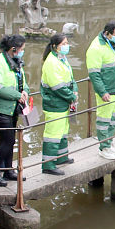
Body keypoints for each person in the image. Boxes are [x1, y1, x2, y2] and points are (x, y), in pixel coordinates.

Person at [0, 34, 28, 186]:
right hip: (0, 108)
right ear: (13, 49)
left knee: (11, 140)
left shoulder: (16, 62)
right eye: (21, 49)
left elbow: (22, 80)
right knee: (7, 140)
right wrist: (17, 95)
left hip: (12, 108)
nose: (23, 51)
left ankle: (8, 170)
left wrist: (25, 91)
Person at [87, 21, 115, 158]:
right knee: (104, 120)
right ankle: (103, 148)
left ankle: (109, 143)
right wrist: (102, 92)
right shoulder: (96, 48)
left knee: (113, 119)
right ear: (107, 33)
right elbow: (94, 74)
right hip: (106, 90)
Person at [40, 33, 77, 175]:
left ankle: (61, 157)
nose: (67, 46)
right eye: (64, 44)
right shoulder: (51, 62)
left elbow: (70, 78)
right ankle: (48, 165)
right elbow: (57, 86)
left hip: (63, 102)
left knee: (62, 132)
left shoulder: (62, 59)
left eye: (67, 43)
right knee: (53, 134)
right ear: (55, 47)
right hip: (54, 103)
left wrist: (74, 90)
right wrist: (71, 96)